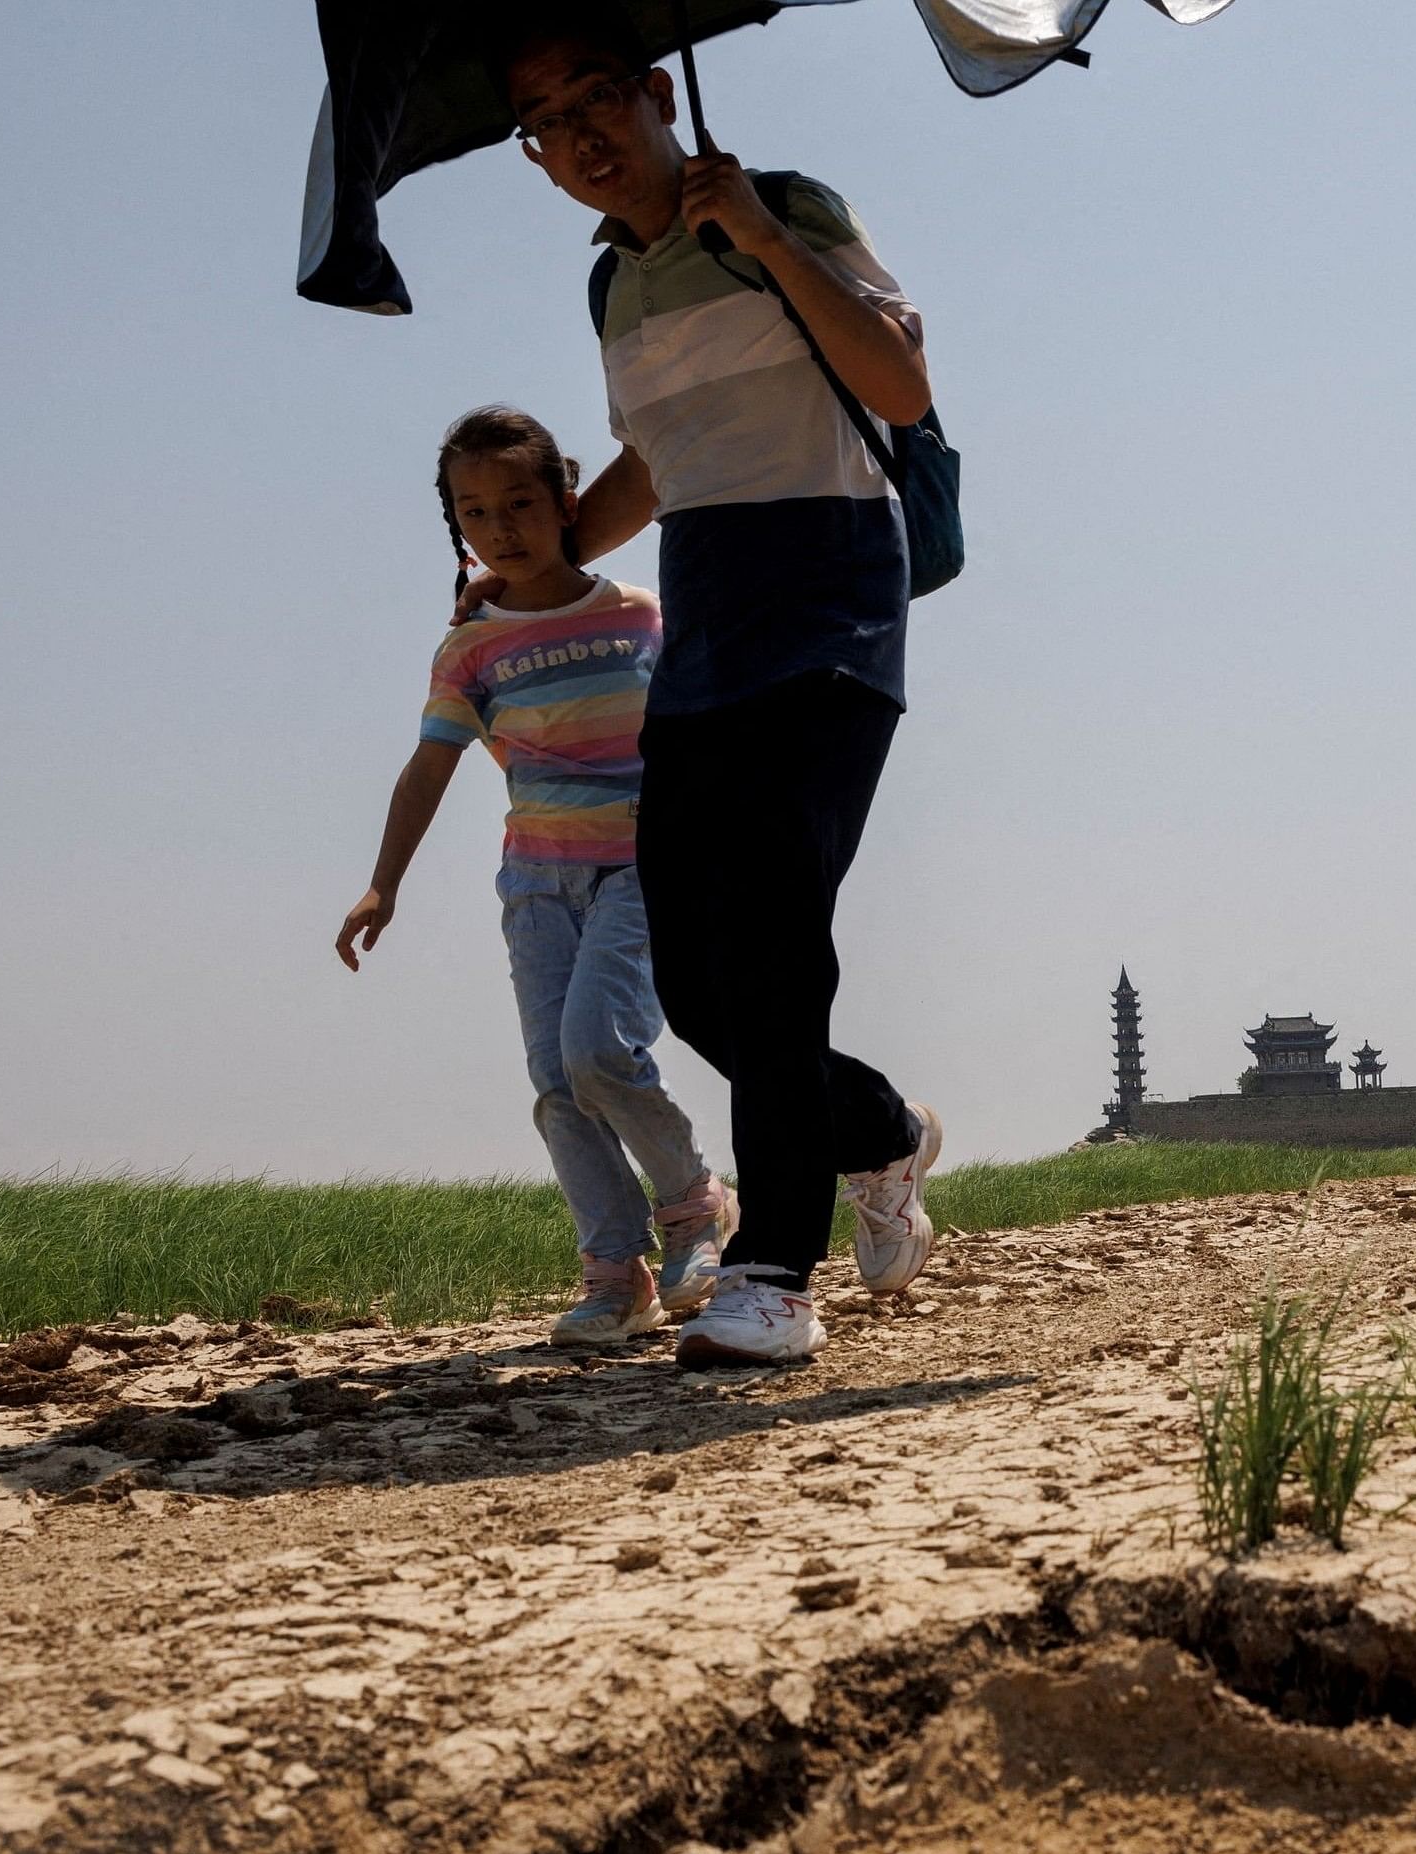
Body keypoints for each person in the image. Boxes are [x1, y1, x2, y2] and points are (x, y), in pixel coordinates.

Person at [482, 11, 944, 1366]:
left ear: (658, 90)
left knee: (775, 950)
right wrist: (532, 563)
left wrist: (764, 237)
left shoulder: (784, 205)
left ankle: (773, 1271)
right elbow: (653, 464)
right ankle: (880, 1135)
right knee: (694, 989)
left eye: (595, 101)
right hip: (703, 641)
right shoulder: (609, 285)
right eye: (547, 125)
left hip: (830, 607)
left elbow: (899, 383)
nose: (580, 140)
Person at [337, 406, 733, 1347]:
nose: (501, 527)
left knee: (601, 1049)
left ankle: (693, 1206)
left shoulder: (640, 614)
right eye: (475, 512)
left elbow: (710, 724)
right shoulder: (469, 648)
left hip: (644, 867)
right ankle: (614, 1272)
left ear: (567, 499)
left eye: (519, 501)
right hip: (536, 885)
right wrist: (383, 881)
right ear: (456, 527)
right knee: (558, 1081)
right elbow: (429, 764)